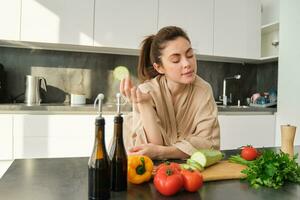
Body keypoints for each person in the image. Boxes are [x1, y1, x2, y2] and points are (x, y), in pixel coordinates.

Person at [120, 26, 220, 160]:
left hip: (181, 170)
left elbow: (208, 143)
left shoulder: (203, 90)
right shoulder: (146, 91)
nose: (187, 63)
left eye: (190, 55)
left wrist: (164, 152)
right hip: (129, 162)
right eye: (175, 60)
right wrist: (144, 103)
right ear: (159, 67)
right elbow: (152, 147)